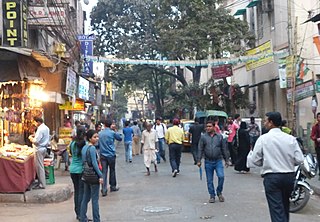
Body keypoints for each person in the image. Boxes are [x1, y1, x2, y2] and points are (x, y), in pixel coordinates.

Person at [248, 112, 304, 222]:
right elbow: (300, 159)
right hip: (288, 176)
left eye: (266, 121)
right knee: (284, 206)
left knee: (276, 209)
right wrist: (287, 162)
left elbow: (255, 160)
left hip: (272, 177)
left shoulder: (263, 139)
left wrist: (266, 162)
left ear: (271, 122)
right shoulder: (290, 139)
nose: (264, 123)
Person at [197, 120, 230, 203]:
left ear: (214, 127)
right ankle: (212, 195)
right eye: (207, 126)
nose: (208, 128)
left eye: (210, 126)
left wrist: (226, 160)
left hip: (218, 161)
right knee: (209, 180)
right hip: (208, 161)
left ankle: (219, 192)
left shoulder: (219, 137)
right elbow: (200, 149)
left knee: (221, 176)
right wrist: (199, 160)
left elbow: (223, 148)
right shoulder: (203, 137)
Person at [80, 130, 103, 222]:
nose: (97, 138)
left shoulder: (84, 148)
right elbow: (94, 163)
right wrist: (100, 175)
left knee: (85, 198)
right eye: (94, 137)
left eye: (97, 137)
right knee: (94, 200)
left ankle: (83, 218)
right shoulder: (92, 148)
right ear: (89, 138)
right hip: (93, 176)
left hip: (86, 175)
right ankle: (96, 219)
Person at [98, 119, 122, 196]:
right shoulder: (112, 133)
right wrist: (114, 130)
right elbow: (120, 138)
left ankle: (104, 189)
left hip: (103, 155)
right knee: (112, 170)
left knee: (104, 172)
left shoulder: (100, 133)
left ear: (104, 125)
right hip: (111, 154)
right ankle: (113, 186)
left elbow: (97, 145)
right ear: (111, 125)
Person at [69, 126, 86, 220]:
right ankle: (81, 213)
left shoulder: (72, 143)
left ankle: (77, 212)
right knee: (81, 192)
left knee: (77, 191)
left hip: (72, 169)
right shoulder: (84, 144)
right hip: (81, 170)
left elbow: (71, 153)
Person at [29, 117, 50, 189]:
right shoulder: (46, 128)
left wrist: (31, 138)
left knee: (39, 167)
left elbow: (36, 141)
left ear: (38, 122)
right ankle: (40, 182)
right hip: (44, 148)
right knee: (40, 166)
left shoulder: (40, 129)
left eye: (35, 122)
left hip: (39, 149)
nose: (34, 124)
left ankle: (42, 184)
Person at [310, 112, 320, 180]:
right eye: (319, 117)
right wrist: (316, 138)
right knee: (319, 159)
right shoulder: (315, 127)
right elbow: (312, 136)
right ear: (317, 118)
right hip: (318, 145)